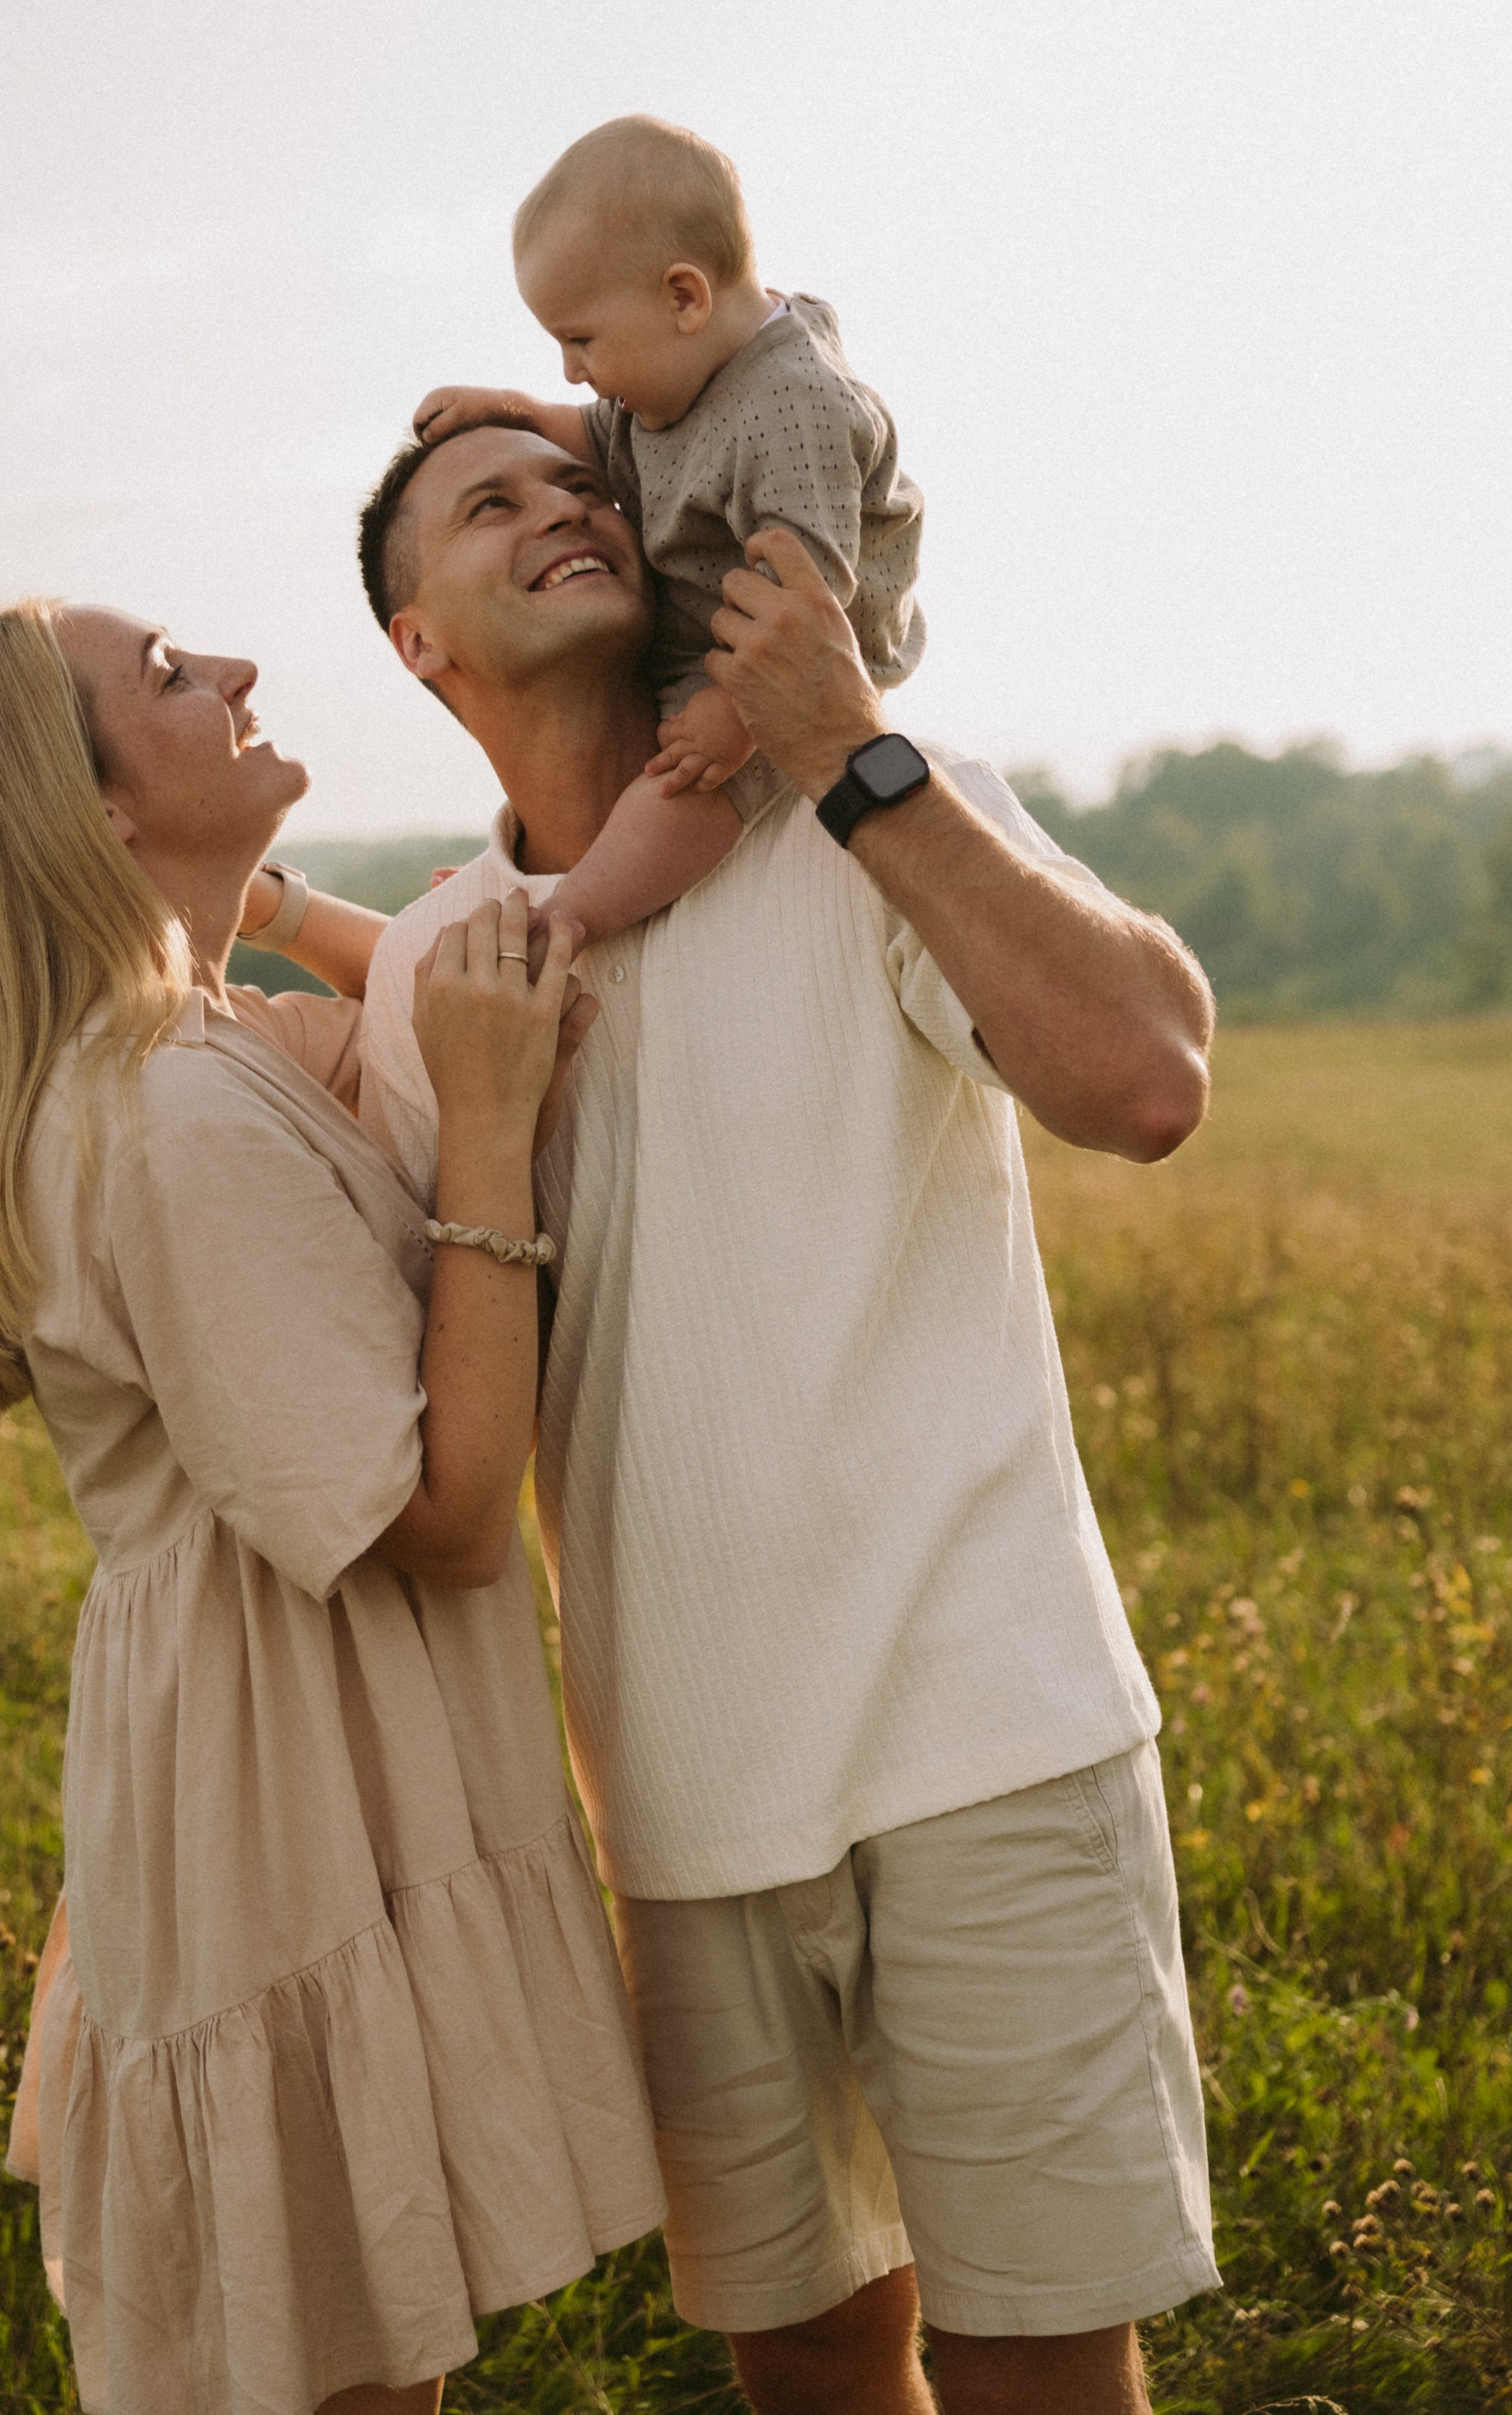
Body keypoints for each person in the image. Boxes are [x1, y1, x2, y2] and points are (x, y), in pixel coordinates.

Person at [354, 422, 1222, 2415]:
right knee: (816, 2360)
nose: (565, 507)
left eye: (581, 482)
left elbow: (1150, 1084)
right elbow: (425, 1432)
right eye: (492, 505)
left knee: (1036, 2368)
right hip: (679, 1798)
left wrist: (852, 751)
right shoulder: (429, 977)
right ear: (421, 643)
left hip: (988, 1732)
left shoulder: (876, 805)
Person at [0, 598, 664, 2415]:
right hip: (283, 1780)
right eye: (164, 679)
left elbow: (444, 992)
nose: (229, 673)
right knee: (336, 2360)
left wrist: (271, 904)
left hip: (272, 1749)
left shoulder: (197, 1043)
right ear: (96, 816)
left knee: (358, 2342)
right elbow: (453, 1517)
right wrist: (479, 1136)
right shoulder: (168, 1119)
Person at [413, 113, 924, 952]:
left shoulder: (794, 408)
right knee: (600, 737)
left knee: (688, 781)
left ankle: (570, 915)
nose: (571, 370)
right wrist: (517, 413)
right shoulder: (680, 375)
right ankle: (527, 877)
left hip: (788, 659)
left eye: (579, 340)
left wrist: (738, 712)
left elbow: (807, 597)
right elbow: (606, 437)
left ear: (683, 297)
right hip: (710, 624)